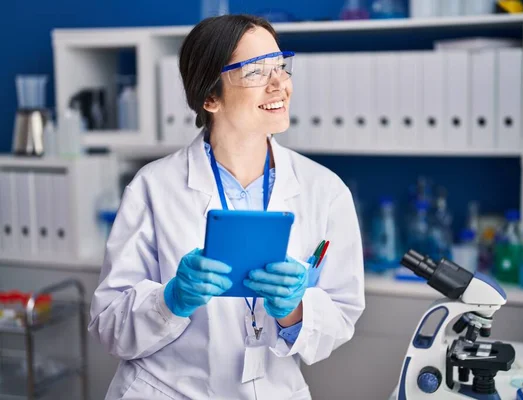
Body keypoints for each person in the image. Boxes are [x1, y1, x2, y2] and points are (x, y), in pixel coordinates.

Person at [89, 14, 365, 400]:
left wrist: (294, 310)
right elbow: (109, 327)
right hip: (167, 391)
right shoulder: (152, 188)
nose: (279, 85)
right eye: (255, 72)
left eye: (281, 67)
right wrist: (171, 300)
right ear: (210, 97)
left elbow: (342, 316)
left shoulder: (325, 190)